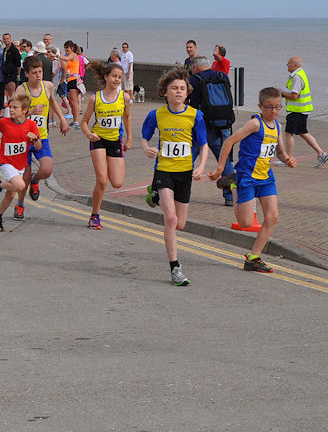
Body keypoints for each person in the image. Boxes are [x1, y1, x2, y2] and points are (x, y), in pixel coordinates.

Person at [210, 87, 298, 273]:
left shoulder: (278, 126)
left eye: (277, 107)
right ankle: (233, 185)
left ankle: (253, 257)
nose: (274, 111)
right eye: (269, 107)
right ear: (260, 106)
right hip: (247, 177)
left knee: (272, 217)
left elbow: (280, 153)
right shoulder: (255, 124)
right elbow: (229, 141)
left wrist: (288, 159)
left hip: (265, 177)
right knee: (246, 223)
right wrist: (220, 169)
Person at [141, 68, 209, 287]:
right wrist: (147, 148)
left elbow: (204, 144)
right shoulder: (157, 114)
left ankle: (155, 195)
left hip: (185, 173)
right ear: (165, 92)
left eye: (182, 88)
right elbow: (145, 136)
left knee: (180, 224)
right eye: (174, 89)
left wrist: (201, 166)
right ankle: (175, 268)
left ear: (187, 93)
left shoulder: (195, 115)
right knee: (170, 219)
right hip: (164, 170)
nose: (179, 92)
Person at [11, 55, 70, 219]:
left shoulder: (48, 86)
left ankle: (36, 181)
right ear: (27, 74)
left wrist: (63, 119)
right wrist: (29, 111)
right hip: (23, 139)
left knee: (47, 169)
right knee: (25, 176)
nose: (38, 75)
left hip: (41, 137)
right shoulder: (21, 90)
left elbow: (52, 102)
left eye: (40, 71)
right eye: (34, 72)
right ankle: (20, 205)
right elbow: (13, 113)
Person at [80, 61, 132, 229]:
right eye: (114, 76)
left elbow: (127, 118)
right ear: (106, 77)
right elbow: (84, 122)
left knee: (117, 183)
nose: (117, 80)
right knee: (102, 181)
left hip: (115, 141)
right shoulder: (95, 98)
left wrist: (129, 139)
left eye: (119, 77)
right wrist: (88, 134)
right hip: (98, 139)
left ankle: (110, 164)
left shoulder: (124, 97)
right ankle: (95, 215)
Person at [0, 94, 40, 231]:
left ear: (25, 110)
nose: (12, 110)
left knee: (11, 194)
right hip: (5, 162)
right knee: (20, 186)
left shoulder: (31, 125)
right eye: (10, 107)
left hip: (19, 165)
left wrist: (35, 138)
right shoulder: (4, 123)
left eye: (15, 107)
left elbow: (38, 146)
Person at [188, 56, 236, 206]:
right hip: (222, 125)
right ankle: (230, 196)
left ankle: (180, 190)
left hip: (201, 126)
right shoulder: (223, 77)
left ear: (195, 67)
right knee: (224, 160)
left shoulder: (195, 80)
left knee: (187, 158)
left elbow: (191, 104)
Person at [280, 56, 328, 167]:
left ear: (295, 65)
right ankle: (321, 153)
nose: (286, 65)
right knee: (303, 132)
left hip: (297, 110)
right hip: (302, 110)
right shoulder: (300, 74)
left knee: (289, 133)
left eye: (288, 63)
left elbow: (295, 95)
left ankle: (288, 159)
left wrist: (282, 93)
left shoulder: (297, 77)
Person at [2, 33, 21, 105]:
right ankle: (8, 110)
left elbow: (18, 63)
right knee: (7, 94)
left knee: (11, 94)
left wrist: (18, 74)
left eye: (7, 39)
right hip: (5, 74)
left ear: (10, 39)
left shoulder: (14, 50)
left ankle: (13, 109)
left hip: (12, 74)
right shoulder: (5, 49)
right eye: (5, 39)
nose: (6, 40)